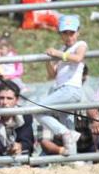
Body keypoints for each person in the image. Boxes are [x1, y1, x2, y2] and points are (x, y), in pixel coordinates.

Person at [35, 14, 87, 155]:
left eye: (72, 33)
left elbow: (78, 58)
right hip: (62, 89)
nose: (69, 36)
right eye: (65, 33)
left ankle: (64, 132)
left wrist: (58, 54)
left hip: (70, 89)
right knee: (68, 124)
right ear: (60, 34)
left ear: (78, 32)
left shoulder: (80, 44)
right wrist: (48, 60)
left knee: (35, 109)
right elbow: (52, 75)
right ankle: (73, 159)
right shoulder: (63, 49)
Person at [0, 81, 34, 157]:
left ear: (16, 100)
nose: (5, 102)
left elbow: (28, 142)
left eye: (9, 98)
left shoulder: (25, 116)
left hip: (21, 157)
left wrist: (20, 146)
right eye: (1, 98)